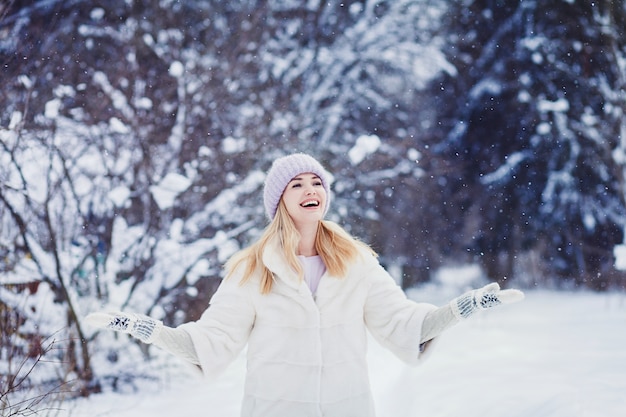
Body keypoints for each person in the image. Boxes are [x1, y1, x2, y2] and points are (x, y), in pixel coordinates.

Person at [86, 152, 524, 417]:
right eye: (297, 184)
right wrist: (149, 330)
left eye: (317, 182)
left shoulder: (356, 262)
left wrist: (459, 310)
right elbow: (209, 341)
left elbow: (404, 322)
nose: (310, 189)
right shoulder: (251, 269)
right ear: (280, 201)